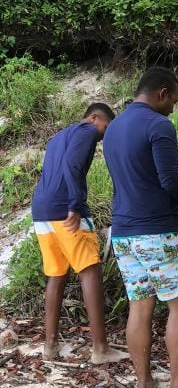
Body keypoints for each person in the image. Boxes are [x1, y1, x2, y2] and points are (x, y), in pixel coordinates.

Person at [103, 67, 178, 388]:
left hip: (123, 234)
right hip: (160, 233)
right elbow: (172, 180)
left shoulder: (113, 128)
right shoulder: (158, 124)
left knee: (139, 308)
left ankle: (144, 385)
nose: (173, 109)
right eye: (174, 101)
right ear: (162, 93)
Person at [32, 103, 126, 364]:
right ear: (94, 118)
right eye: (105, 129)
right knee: (90, 270)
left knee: (56, 274)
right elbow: (73, 165)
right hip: (65, 209)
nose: (103, 136)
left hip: (41, 210)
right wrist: (74, 204)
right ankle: (100, 348)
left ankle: (50, 345)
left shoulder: (59, 136)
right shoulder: (86, 131)